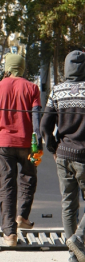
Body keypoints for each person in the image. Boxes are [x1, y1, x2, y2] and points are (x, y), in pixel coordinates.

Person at [0, 53, 43, 247]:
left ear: (7, 67)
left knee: (6, 186)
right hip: (26, 143)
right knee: (28, 178)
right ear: (22, 67)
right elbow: (36, 117)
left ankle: (9, 235)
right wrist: (38, 140)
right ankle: (22, 216)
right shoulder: (32, 88)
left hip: (3, 144)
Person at [41, 50, 85, 262]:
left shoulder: (57, 91)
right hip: (84, 157)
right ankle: (79, 238)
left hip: (63, 155)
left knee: (68, 204)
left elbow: (44, 125)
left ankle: (72, 255)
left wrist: (53, 148)